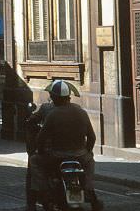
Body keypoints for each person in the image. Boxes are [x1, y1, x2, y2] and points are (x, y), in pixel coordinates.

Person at [32, 80, 103, 211]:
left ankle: (44, 192)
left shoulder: (53, 114)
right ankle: (88, 189)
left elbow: (41, 138)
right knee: (90, 163)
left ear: (54, 97)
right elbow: (92, 137)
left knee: (34, 161)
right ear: (68, 97)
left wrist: (40, 151)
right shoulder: (81, 112)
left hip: (57, 155)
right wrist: (88, 151)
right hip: (80, 154)